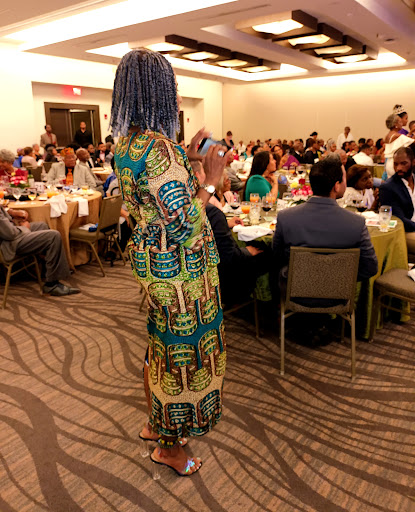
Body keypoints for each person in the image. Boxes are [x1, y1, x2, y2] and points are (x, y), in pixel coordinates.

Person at [110, 49, 228, 476]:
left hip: (153, 262)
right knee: (184, 358)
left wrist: (187, 155)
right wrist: (210, 182)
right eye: (172, 86)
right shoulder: (161, 150)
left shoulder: (128, 145)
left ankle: (154, 423)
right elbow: (184, 224)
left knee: (159, 346)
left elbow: (157, 196)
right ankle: (171, 449)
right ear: (157, 91)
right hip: (181, 272)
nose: (177, 94)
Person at [273, 155, 378, 282]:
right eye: (344, 179)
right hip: (339, 290)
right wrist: (337, 279)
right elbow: (370, 267)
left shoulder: (286, 218)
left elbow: (277, 258)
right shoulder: (357, 223)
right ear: (336, 186)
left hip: (295, 288)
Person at [0, 206, 80, 296]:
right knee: (53, 236)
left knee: (42, 226)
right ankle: (52, 285)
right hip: (7, 244)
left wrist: (11, 212)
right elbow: (10, 234)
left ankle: (49, 272)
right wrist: (24, 228)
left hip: (10, 235)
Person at [205, 203, 270, 304]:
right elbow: (229, 255)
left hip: (205, 274)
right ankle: (267, 302)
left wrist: (225, 224)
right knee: (265, 254)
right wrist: (247, 251)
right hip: (225, 279)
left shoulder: (190, 208)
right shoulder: (213, 212)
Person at [379, 147, 415, 256]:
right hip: (405, 231)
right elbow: (399, 219)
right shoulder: (388, 187)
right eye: (395, 164)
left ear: (413, 162)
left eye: (404, 163)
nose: (399, 168)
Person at [383, 113, 414, 179]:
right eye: (400, 122)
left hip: (389, 164)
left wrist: (411, 132)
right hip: (397, 164)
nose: (401, 124)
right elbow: (412, 142)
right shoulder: (398, 136)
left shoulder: (388, 135)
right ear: (395, 124)